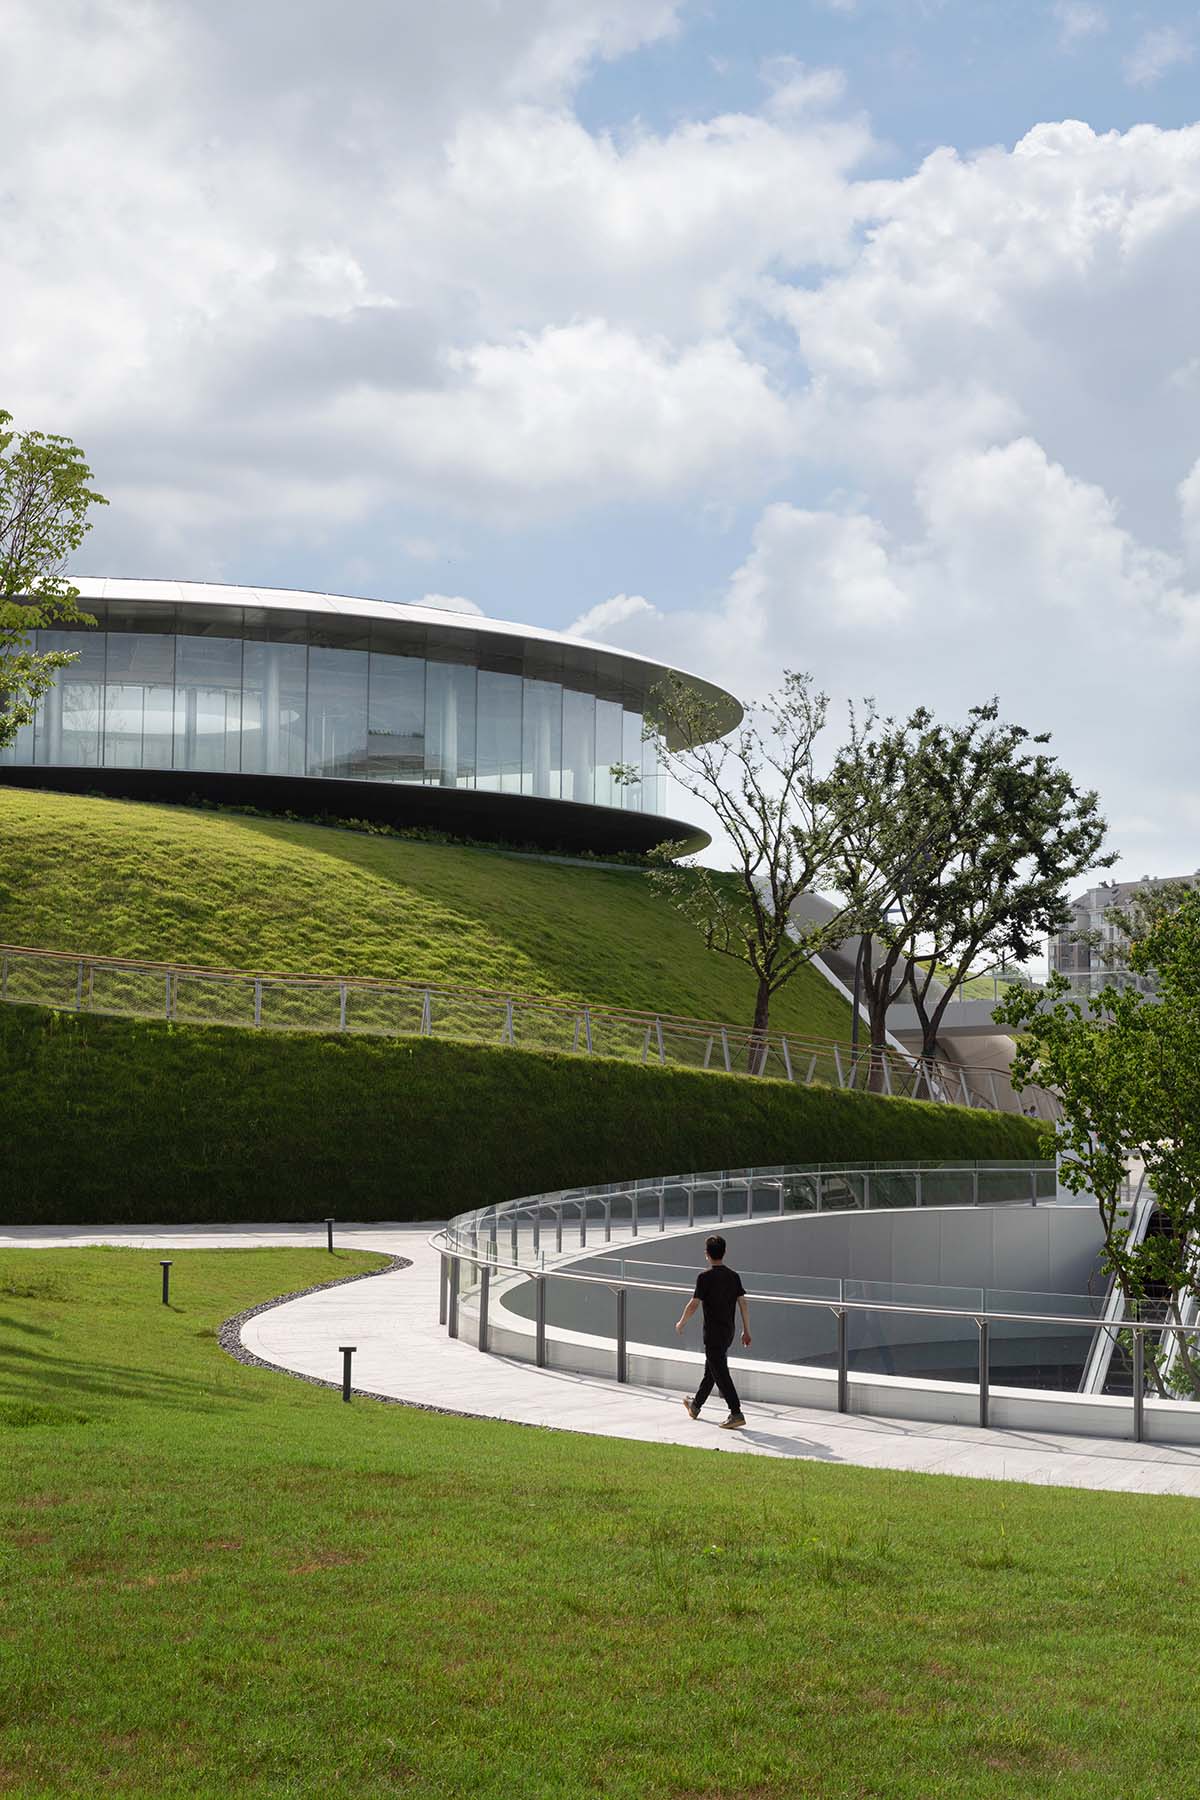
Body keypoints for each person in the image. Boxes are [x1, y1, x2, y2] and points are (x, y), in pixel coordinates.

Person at [675, 1233, 750, 1429]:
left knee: (720, 1372)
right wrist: (746, 1330)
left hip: (713, 1333)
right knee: (712, 1370)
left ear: (706, 1254)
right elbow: (743, 1303)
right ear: (724, 1252)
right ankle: (695, 1406)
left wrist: (681, 1322)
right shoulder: (734, 1276)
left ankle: (736, 1412)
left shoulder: (704, 1277)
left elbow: (693, 1304)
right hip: (728, 1332)